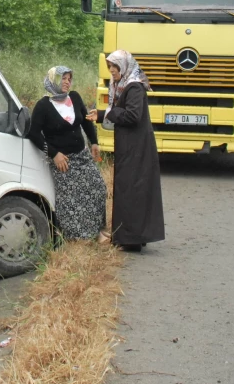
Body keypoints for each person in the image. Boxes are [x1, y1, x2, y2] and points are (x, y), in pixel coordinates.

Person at [90, 50, 165, 252]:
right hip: (131, 146)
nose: (112, 71)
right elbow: (119, 111)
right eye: (109, 67)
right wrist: (100, 115)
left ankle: (130, 240)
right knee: (129, 190)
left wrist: (108, 113)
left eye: (115, 66)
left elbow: (132, 115)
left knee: (132, 190)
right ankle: (129, 237)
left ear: (124, 66)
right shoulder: (124, 85)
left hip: (136, 148)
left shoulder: (134, 87)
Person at [27, 66, 108, 243]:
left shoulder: (75, 97)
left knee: (97, 188)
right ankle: (79, 237)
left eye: (69, 78)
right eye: (63, 78)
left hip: (82, 156)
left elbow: (86, 122)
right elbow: (33, 134)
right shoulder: (43, 106)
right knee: (72, 199)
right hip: (63, 161)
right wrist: (54, 154)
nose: (67, 82)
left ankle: (96, 231)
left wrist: (94, 142)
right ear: (53, 80)